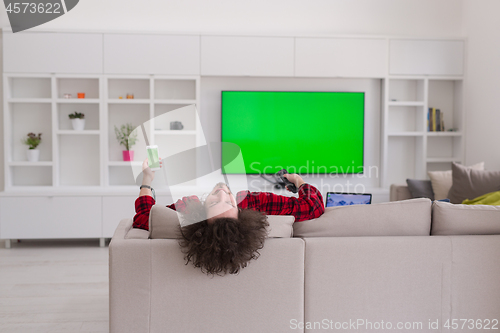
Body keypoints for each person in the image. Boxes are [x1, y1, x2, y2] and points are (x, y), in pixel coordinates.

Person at [133, 158, 325, 275]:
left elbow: (145, 216)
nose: (223, 191)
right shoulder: (255, 203)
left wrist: (147, 178)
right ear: (241, 214)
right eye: (230, 203)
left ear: (201, 214)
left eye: (215, 202)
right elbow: (313, 206)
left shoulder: (188, 209)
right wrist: (298, 181)